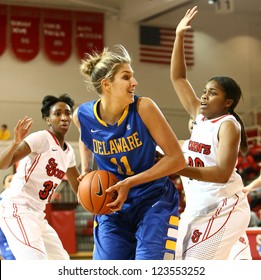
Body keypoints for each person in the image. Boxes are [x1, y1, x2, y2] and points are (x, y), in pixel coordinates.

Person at [73, 44, 186, 260]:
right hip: (111, 203)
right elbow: (85, 139)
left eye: (132, 77)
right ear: (107, 84)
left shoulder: (144, 108)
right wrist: (86, 169)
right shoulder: (83, 115)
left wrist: (129, 183)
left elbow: (177, 159)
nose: (134, 82)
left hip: (153, 200)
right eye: (126, 77)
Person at [170, 6, 251, 260]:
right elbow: (179, 78)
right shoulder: (198, 115)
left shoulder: (228, 125)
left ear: (228, 102)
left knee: (193, 268)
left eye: (212, 92)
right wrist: (178, 36)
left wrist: (178, 168)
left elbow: (221, 173)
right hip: (198, 207)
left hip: (223, 206)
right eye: (204, 90)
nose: (204, 95)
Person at [0, 94, 80, 260]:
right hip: (17, 208)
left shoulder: (70, 153)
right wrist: (15, 142)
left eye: (67, 113)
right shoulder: (41, 138)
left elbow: (79, 187)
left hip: (38, 214)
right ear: (48, 119)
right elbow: (3, 164)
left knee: (62, 263)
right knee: (36, 264)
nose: (64, 117)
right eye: (57, 114)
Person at [0, 174, 15, 260]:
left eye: (14, 180)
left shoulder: (24, 200)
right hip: (7, 246)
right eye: (9, 180)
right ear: (4, 185)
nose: (12, 183)